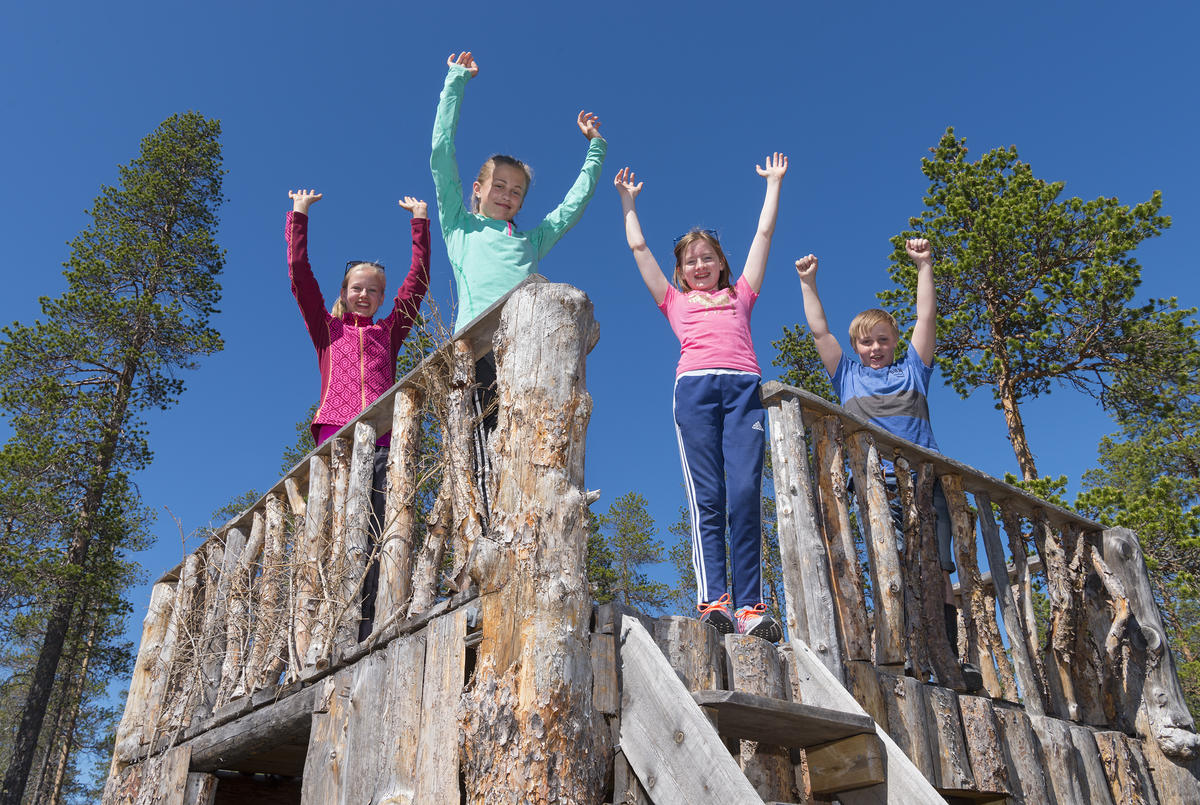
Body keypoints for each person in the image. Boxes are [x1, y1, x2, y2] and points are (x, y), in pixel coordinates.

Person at [614, 155, 789, 642]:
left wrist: (772, 185)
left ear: (721, 263)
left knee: (746, 493)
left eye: (707, 257)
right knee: (706, 497)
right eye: (690, 261)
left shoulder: (742, 295)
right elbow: (639, 248)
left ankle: (752, 605)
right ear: (682, 271)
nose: (699, 265)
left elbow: (763, 237)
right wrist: (628, 203)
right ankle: (716, 600)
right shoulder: (675, 302)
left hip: (742, 391)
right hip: (694, 391)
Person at [794, 241, 983, 689]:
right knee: (890, 565)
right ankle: (905, 652)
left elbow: (927, 318)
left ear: (894, 342)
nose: (874, 347)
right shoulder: (847, 376)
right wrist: (808, 282)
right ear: (857, 346)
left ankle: (950, 655)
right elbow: (821, 333)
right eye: (866, 341)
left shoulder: (914, 370)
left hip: (925, 484)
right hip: (877, 487)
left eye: (882, 339)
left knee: (936, 569)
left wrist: (925, 266)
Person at [431, 49, 607, 518]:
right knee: (473, 450)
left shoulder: (530, 240)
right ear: (477, 188)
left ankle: (525, 524)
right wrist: (455, 83)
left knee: (526, 443)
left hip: (527, 350)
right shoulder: (459, 226)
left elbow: (571, 207)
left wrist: (595, 150)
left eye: (517, 191)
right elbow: (441, 153)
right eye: (499, 186)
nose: (507, 196)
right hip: (475, 349)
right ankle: (479, 538)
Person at [285, 188, 431, 640]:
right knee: (339, 530)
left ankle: (377, 619)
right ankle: (329, 623)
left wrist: (420, 224)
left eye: (372, 290)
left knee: (382, 525)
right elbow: (299, 275)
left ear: (382, 297)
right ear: (344, 294)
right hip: (337, 437)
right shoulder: (327, 331)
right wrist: (300, 215)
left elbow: (418, 280)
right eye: (356, 289)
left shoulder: (390, 332)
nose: (364, 295)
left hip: (385, 439)